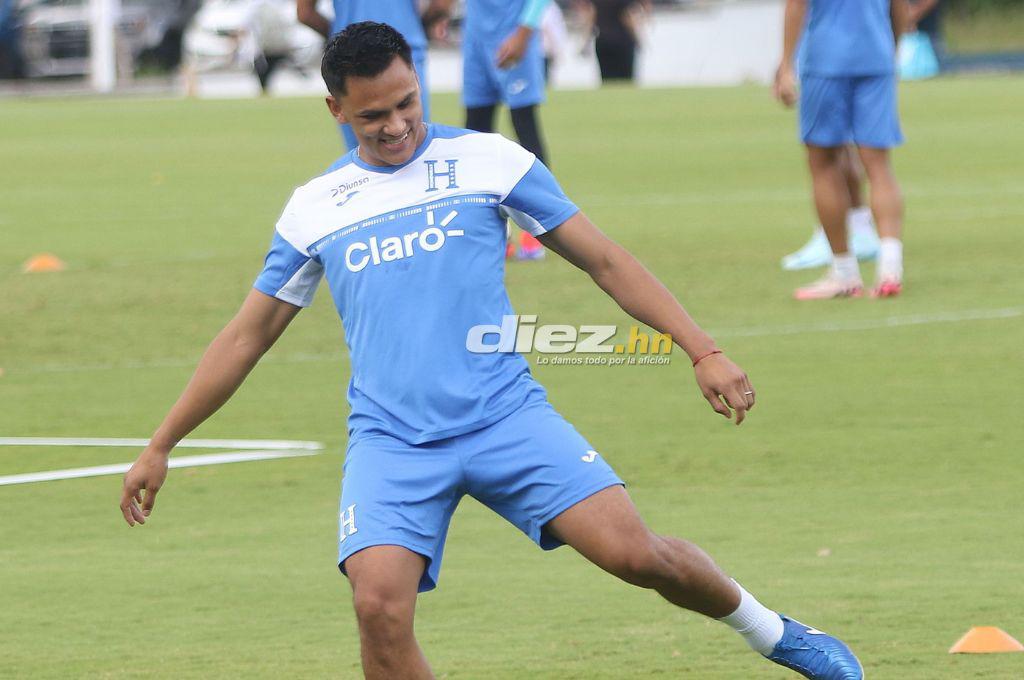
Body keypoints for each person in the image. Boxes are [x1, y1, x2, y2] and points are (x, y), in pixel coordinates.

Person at [120, 22, 863, 680]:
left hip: (506, 418)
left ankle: (775, 633)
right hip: (392, 441)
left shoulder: (489, 161)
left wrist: (702, 349)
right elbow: (247, 335)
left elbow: (603, 259)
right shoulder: (315, 207)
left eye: (408, 102)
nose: (397, 125)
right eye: (372, 115)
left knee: (637, 557)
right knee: (379, 611)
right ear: (335, 110)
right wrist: (161, 444)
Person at [774, 0, 909, 299]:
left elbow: (796, 5)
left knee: (823, 163)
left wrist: (785, 65)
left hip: (826, 59)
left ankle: (844, 273)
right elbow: (899, 8)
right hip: (876, 56)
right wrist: (891, 49)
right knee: (879, 166)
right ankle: (890, 268)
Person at [296, 0, 439, 149]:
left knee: (363, 162)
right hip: (404, 56)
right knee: (415, 150)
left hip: (349, 66)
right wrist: (411, 27)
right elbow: (441, 6)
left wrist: (346, 41)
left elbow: (305, 13)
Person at [577, 0, 650, 83]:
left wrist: (585, 42)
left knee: (607, 80)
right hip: (623, 43)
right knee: (626, 80)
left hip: (603, 41)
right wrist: (638, 40)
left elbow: (591, 17)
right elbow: (628, 17)